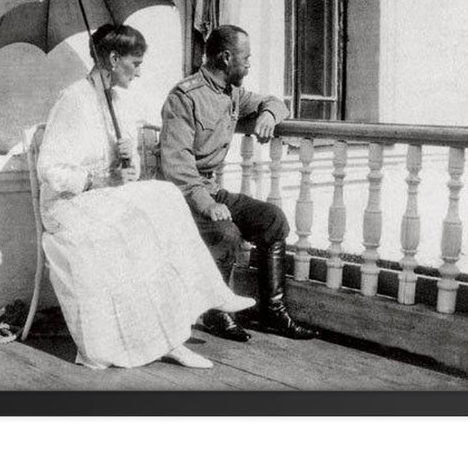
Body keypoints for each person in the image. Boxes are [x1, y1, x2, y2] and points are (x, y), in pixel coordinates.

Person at [36, 23, 255, 370]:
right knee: (156, 209)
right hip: (68, 207)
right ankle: (191, 315)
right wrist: (95, 181)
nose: (139, 73)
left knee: (162, 203)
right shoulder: (73, 100)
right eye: (135, 64)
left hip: (101, 201)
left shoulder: (117, 102)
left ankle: (179, 329)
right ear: (112, 59)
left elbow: (127, 173)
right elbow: (49, 169)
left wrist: (127, 163)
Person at [160, 24, 320, 343]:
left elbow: (276, 101)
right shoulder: (185, 96)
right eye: (245, 59)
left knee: (272, 220)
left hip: (209, 190)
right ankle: (216, 312)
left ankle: (272, 312)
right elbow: (177, 166)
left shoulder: (232, 92)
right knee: (226, 231)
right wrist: (207, 204)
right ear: (226, 57)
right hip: (179, 197)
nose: (249, 64)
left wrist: (269, 116)